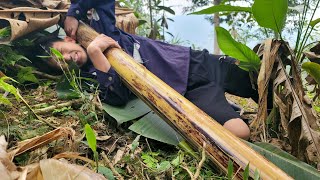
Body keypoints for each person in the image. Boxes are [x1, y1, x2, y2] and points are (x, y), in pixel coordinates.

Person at [38, 0, 259, 140]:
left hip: (193, 61)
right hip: (188, 92)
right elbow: (116, 96)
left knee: (259, 80)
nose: (67, 58)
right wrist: (96, 54)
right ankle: (230, 108)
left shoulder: (100, 30)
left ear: (68, 39)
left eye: (62, 51)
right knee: (240, 133)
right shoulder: (90, 76)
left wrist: (72, 13)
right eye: (61, 62)